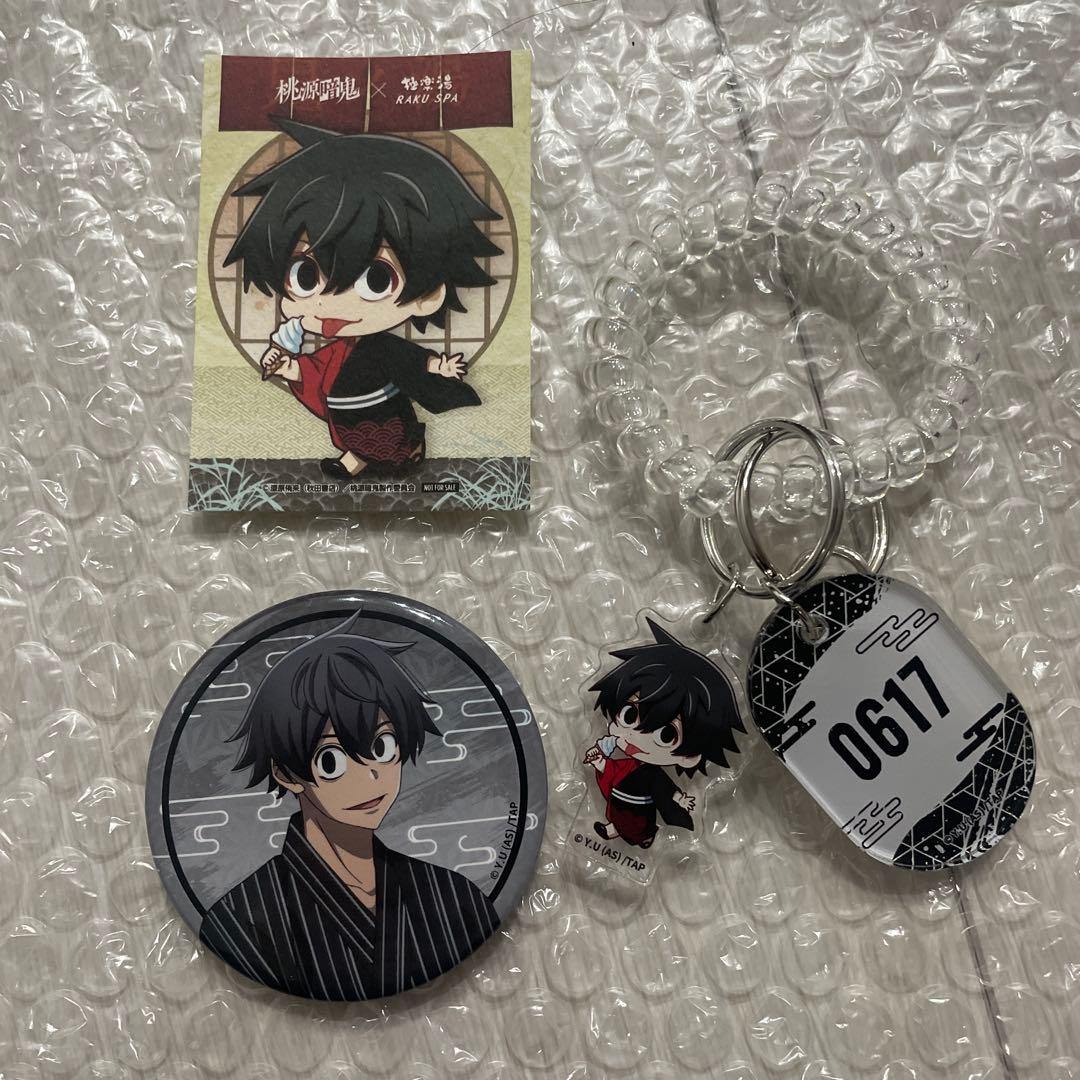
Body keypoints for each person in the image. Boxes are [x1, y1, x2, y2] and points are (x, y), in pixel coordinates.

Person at [199, 613, 498, 1000]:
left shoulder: (454, 898)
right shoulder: (242, 917)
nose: (370, 776)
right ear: (286, 773)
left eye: (382, 746)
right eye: (332, 761)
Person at [224, 118, 503, 477]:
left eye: (376, 279)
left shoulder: (380, 346)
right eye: (305, 276)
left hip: (383, 415)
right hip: (348, 418)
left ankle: (399, 455)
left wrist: (439, 366)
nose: (331, 301)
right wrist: (286, 366)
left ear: (429, 295)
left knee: (387, 443)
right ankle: (354, 458)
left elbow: (411, 359)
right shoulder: (338, 351)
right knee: (354, 440)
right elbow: (315, 371)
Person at [584, 619, 745, 849]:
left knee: (636, 822)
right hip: (619, 800)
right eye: (629, 715)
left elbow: (665, 788)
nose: (635, 735)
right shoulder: (629, 765)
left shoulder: (653, 774)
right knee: (618, 814)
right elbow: (614, 770)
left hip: (640, 808)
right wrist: (600, 761)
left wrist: (680, 799)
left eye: (666, 735)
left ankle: (643, 835)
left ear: (689, 756)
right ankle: (613, 829)